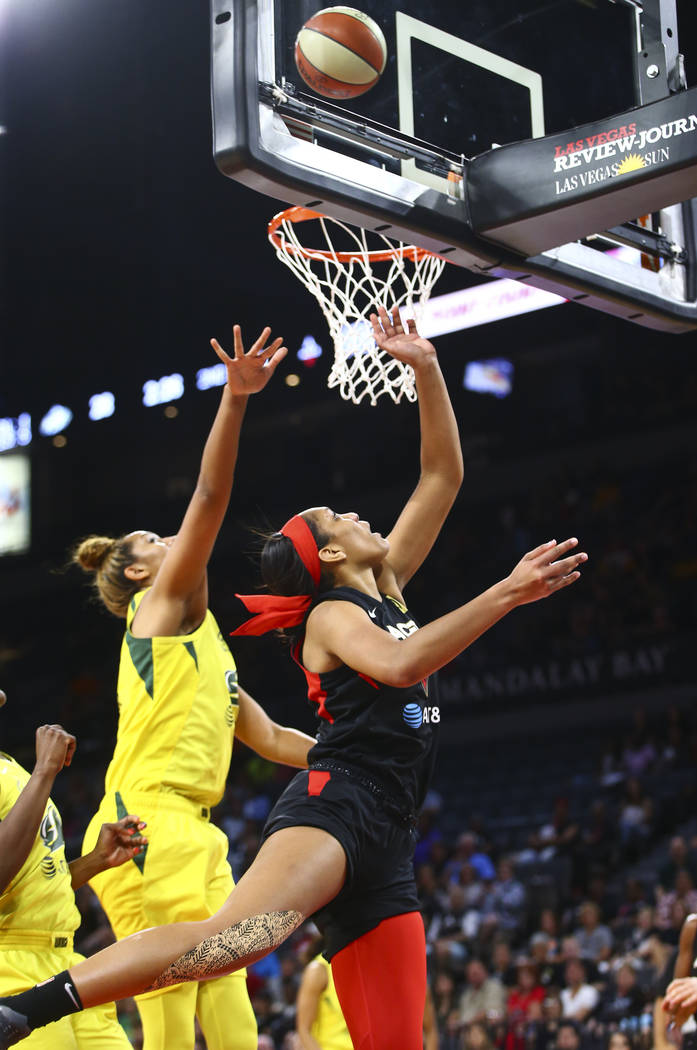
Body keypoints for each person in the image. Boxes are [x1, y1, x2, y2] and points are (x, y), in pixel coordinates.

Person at [0, 306, 587, 1050]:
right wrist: (506, 591)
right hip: (330, 811)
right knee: (231, 944)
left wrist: (427, 368)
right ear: (334, 557)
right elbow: (406, 663)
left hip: (386, 829)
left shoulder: (386, 591)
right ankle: (30, 1008)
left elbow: (442, 475)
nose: (354, 512)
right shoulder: (329, 617)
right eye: (338, 516)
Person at [72, 323, 317, 1050]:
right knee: (174, 1007)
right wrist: (234, 400)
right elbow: (210, 496)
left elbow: (270, 737)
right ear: (141, 573)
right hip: (142, 824)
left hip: (193, 829)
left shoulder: (206, 645)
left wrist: (347, 754)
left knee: (229, 979)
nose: (172, 538)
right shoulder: (158, 612)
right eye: (156, 540)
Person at [0, 688, 146, 1049]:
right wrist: (44, 771)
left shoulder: (8, 767)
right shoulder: (31, 773)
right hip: (12, 968)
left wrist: (94, 861)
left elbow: (31, 879)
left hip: (66, 963)